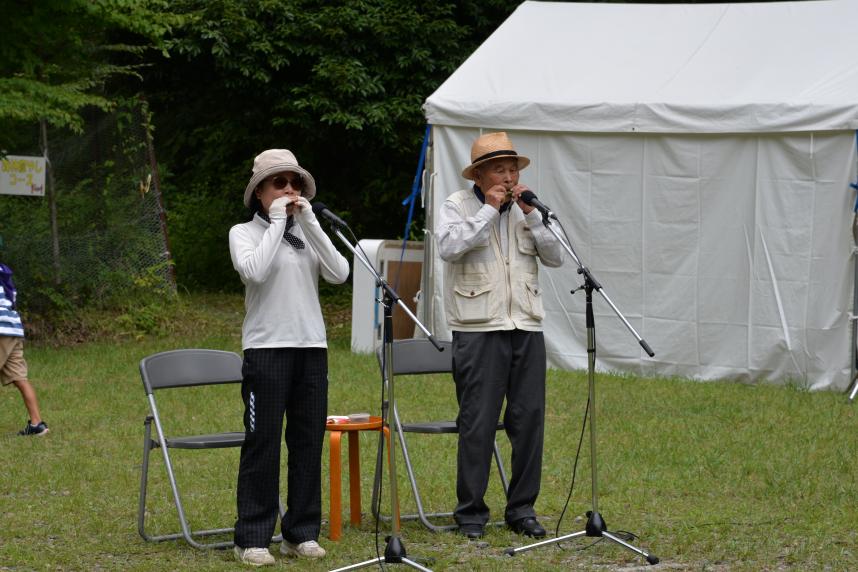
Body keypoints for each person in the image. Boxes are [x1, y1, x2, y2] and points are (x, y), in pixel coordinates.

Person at [436, 132, 564, 540]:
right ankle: (471, 514)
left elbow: (557, 256)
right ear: (478, 174)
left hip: (526, 324)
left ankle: (522, 509)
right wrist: (489, 211)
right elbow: (450, 247)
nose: (509, 178)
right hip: (478, 327)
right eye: (499, 169)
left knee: (529, 421)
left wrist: (531, 216)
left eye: (513, 169)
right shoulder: (457, 205)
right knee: (478, 422)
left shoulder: (529, 209)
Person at [229, 149, 349, 566]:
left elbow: (339, 272)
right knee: (262, 443)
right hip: (266, 350)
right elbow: (255, 272)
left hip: (311, 348)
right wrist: (279, 222)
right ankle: (253, 537)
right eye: (279, 183)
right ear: (259, 193)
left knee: (306, 442)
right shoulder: (243, 233)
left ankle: (300, 532)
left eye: (294, 183)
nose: (289, 190)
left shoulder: (307, 232)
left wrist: (310, 220)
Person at [0, 263, 49, 436]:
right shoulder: (4, 274)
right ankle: (37, 424)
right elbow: (12, 299)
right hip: (13, 329)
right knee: (19, 378)